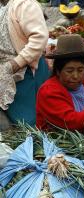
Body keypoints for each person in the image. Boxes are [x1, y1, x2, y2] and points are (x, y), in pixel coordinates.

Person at [0, 0, 51, 131]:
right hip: (5, 72)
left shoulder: (24, 4)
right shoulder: (2, 7)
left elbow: (39, 38)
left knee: (29, 125)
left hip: (25, 71)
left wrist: (16, 63)